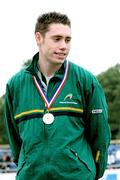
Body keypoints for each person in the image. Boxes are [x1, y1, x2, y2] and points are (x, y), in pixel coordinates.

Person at [4, 12, 111, 180]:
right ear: (39, 38)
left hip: (77, 176)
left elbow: (100, 136)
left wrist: (90, 171)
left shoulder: (86, 81)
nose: (64, 46)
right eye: (57, 39)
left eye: (68, 40)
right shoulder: (15, 85)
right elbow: (15, 139)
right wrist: (28, 165)